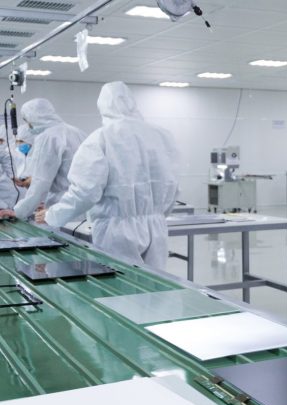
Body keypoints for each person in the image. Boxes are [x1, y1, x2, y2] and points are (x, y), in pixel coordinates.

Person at [38, 82, 180, 268]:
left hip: (117, 232)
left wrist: (52, 215)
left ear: (103, 106)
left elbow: (85, 192)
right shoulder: (163, 136)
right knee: (155, 287)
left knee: (120, 289)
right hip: (157, 227)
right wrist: (155, 214)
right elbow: (174, 185)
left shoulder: (102, 138)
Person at [12, 98, 85, 220]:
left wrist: (18, 212)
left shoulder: (47, 137)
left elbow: (41, 183)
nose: (28, 126)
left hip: (61, 208)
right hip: (82, 207)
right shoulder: (76, 132)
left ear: (34, 118)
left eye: (27, 121)